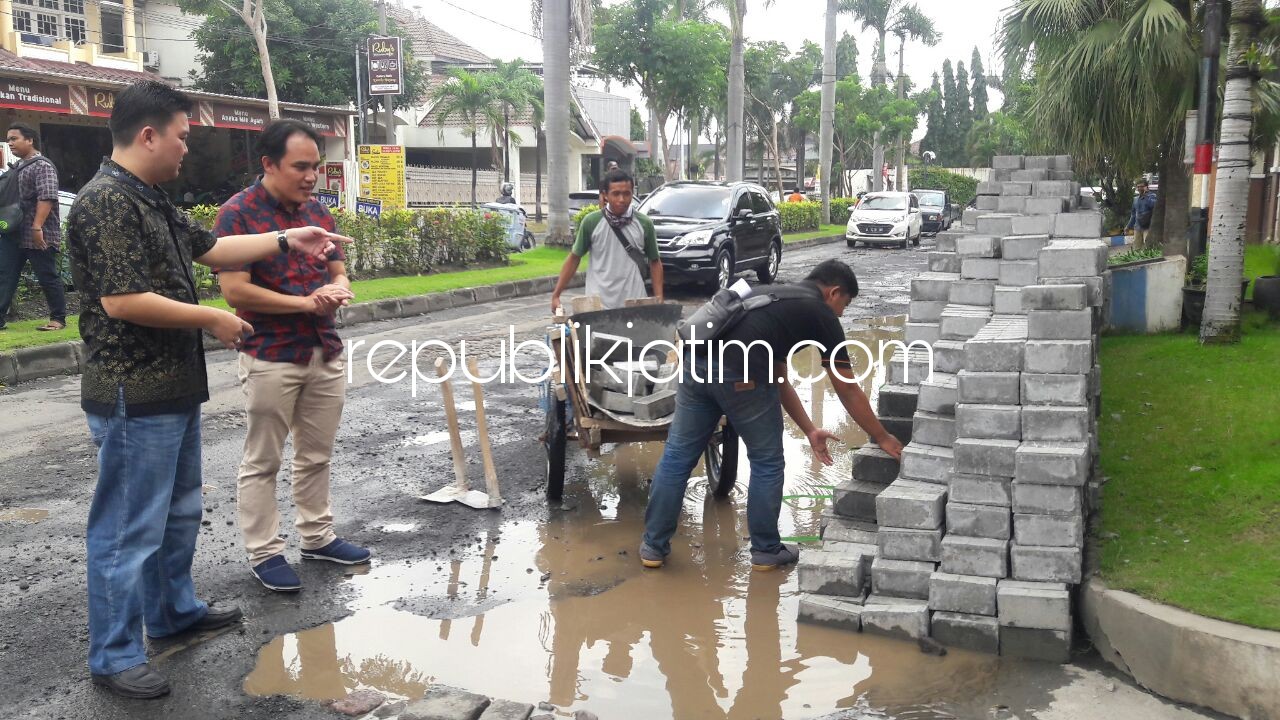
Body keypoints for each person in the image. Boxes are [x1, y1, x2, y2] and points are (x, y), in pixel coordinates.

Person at [66, 80, 349, 699]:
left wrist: (286, 238)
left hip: (172, 387)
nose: (186, 150)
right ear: (149, 135)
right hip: (131, 389)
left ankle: (172, 611)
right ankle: (113, 655)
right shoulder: (106, 202)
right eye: (182, 137)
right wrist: (214, 318)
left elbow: (213, 249)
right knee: (127, 527)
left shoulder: (149, 198)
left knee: (177, 514)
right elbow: (122, 301)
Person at [639, 260, 904, 571]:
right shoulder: (819, 313)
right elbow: (846, 388)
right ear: (834, 292)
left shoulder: (770, 297)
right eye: (844, 304)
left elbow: (778, 379)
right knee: (767, 460)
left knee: (678, 455)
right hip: (739, 374)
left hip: (694, 366)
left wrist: (809, 430)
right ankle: (766, 551)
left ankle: (652, 548)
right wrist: (882, 436)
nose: (842, 314)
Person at [215, 120, 368, 593]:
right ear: (268, 163)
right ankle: (265, 553)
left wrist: (335, 291)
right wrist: (304, 303)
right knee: (263, 459)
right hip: (270, 354)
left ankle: (317, 536)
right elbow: (235, 290)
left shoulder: (319, 213)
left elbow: (340, 273)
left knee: (316, 454)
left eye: (316, 167)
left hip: (323, 349)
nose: (310, 177)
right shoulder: (236, 216)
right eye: (300, 166)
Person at [550, 168, 663, 311]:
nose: (621, 199)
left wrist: (659, 299)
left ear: (632, 194)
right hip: (598, 307)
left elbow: (655, 261)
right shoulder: (591, 222)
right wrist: (556, 294)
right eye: (616, 194)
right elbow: (574, 258)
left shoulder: (644, 223)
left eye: (626, 194)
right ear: (605, 195)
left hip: (634, 305)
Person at [0, 123, 66, 331]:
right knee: (4, 275)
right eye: (8, 139)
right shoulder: (18, 167)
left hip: (38, 234)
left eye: (14, 139)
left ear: (30, 140)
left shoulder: (42, 166)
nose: (10, 143)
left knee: (47, 275)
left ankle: (58, 318)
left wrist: (37, 228)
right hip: (14, 233)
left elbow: (47, 197)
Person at [1127, 180, 1157, 249]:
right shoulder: (1135, 199)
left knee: (1148, 247)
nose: (1140, 188)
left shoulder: (1152, 196)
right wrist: (1128, 226)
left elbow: (1153, 206)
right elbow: (1133, 215)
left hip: (1148, 227)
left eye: (1142, 186)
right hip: (1137, 227)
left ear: (1146, 187)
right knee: (1136, 248)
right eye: (1138, 187)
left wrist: (1145, 195)